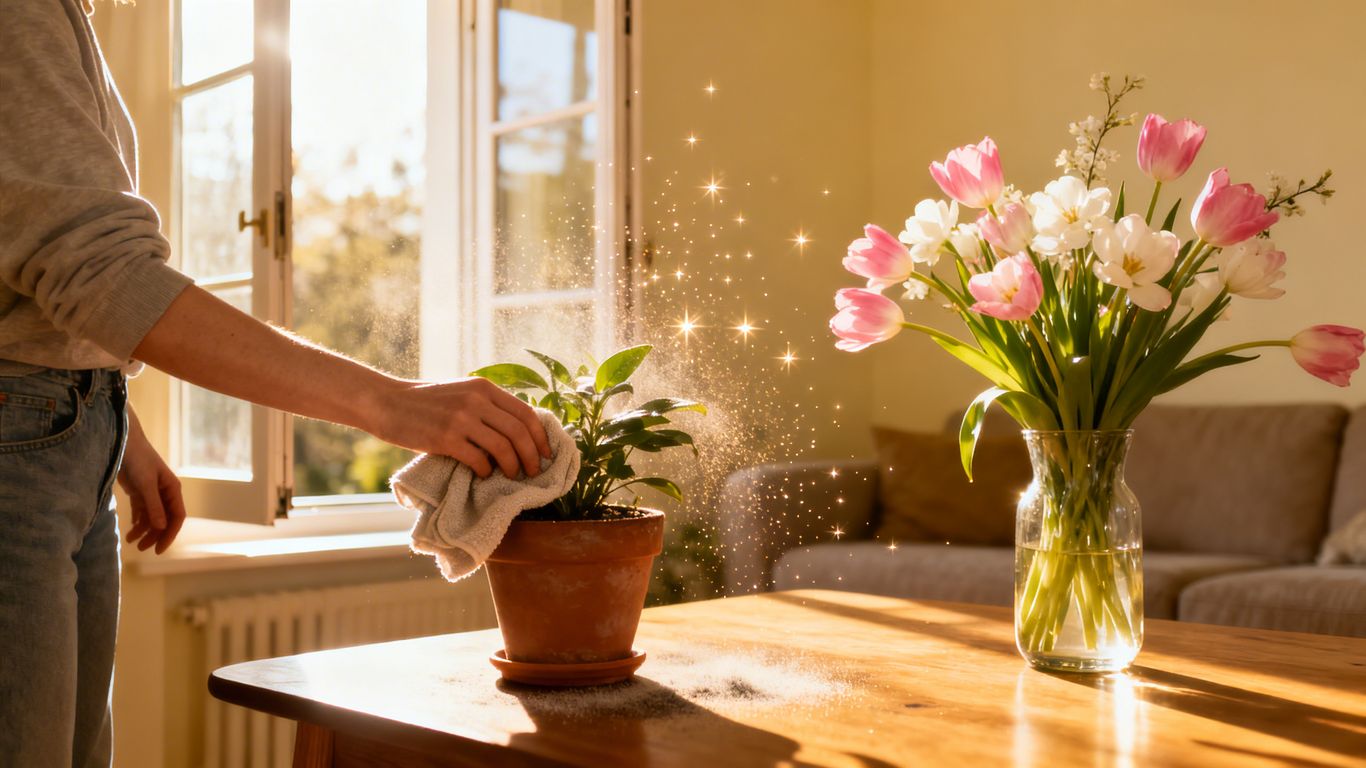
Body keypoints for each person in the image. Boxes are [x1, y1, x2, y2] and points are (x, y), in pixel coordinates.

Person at [0, 1, 550, 764]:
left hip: (63, 437)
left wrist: (115, 425)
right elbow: (100, 268)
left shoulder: (63, 16)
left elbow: (37, 265)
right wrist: (390, 403)